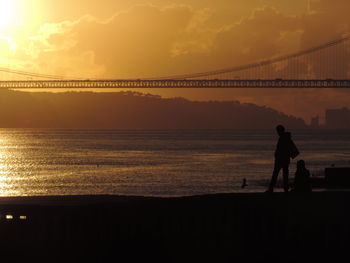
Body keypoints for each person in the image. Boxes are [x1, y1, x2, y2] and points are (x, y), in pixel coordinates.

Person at [266, 125, 297, 193]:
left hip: (281, 159)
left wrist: (277, 156)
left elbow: (281, 149)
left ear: (280, 131)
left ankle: (271, 189)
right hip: (285, 159)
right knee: (285, 174)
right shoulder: (286, 137)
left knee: (276, 174)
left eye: (278, 131)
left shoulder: (283, 138)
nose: (277, 132)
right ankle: (285, 189)